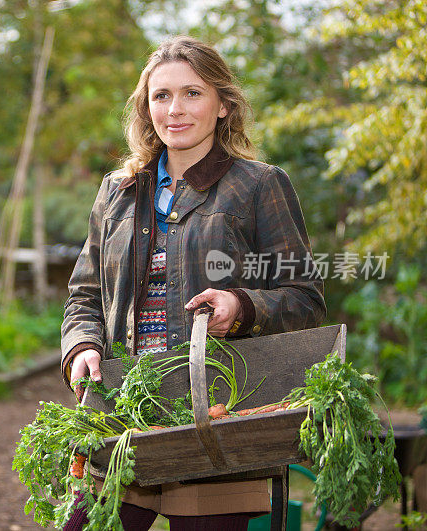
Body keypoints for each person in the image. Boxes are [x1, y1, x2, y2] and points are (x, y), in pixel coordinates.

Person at [59, 35, 326, 531]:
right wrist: (82, 347)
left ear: (223, 104)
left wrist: (241, 306)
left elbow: (304, 298)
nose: (175, 110)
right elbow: (85, 294)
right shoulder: (117, 192)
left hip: (216, 413)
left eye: (193, 93)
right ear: (146, 107)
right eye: (161, 96)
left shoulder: (259, 185)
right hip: (123, 410)